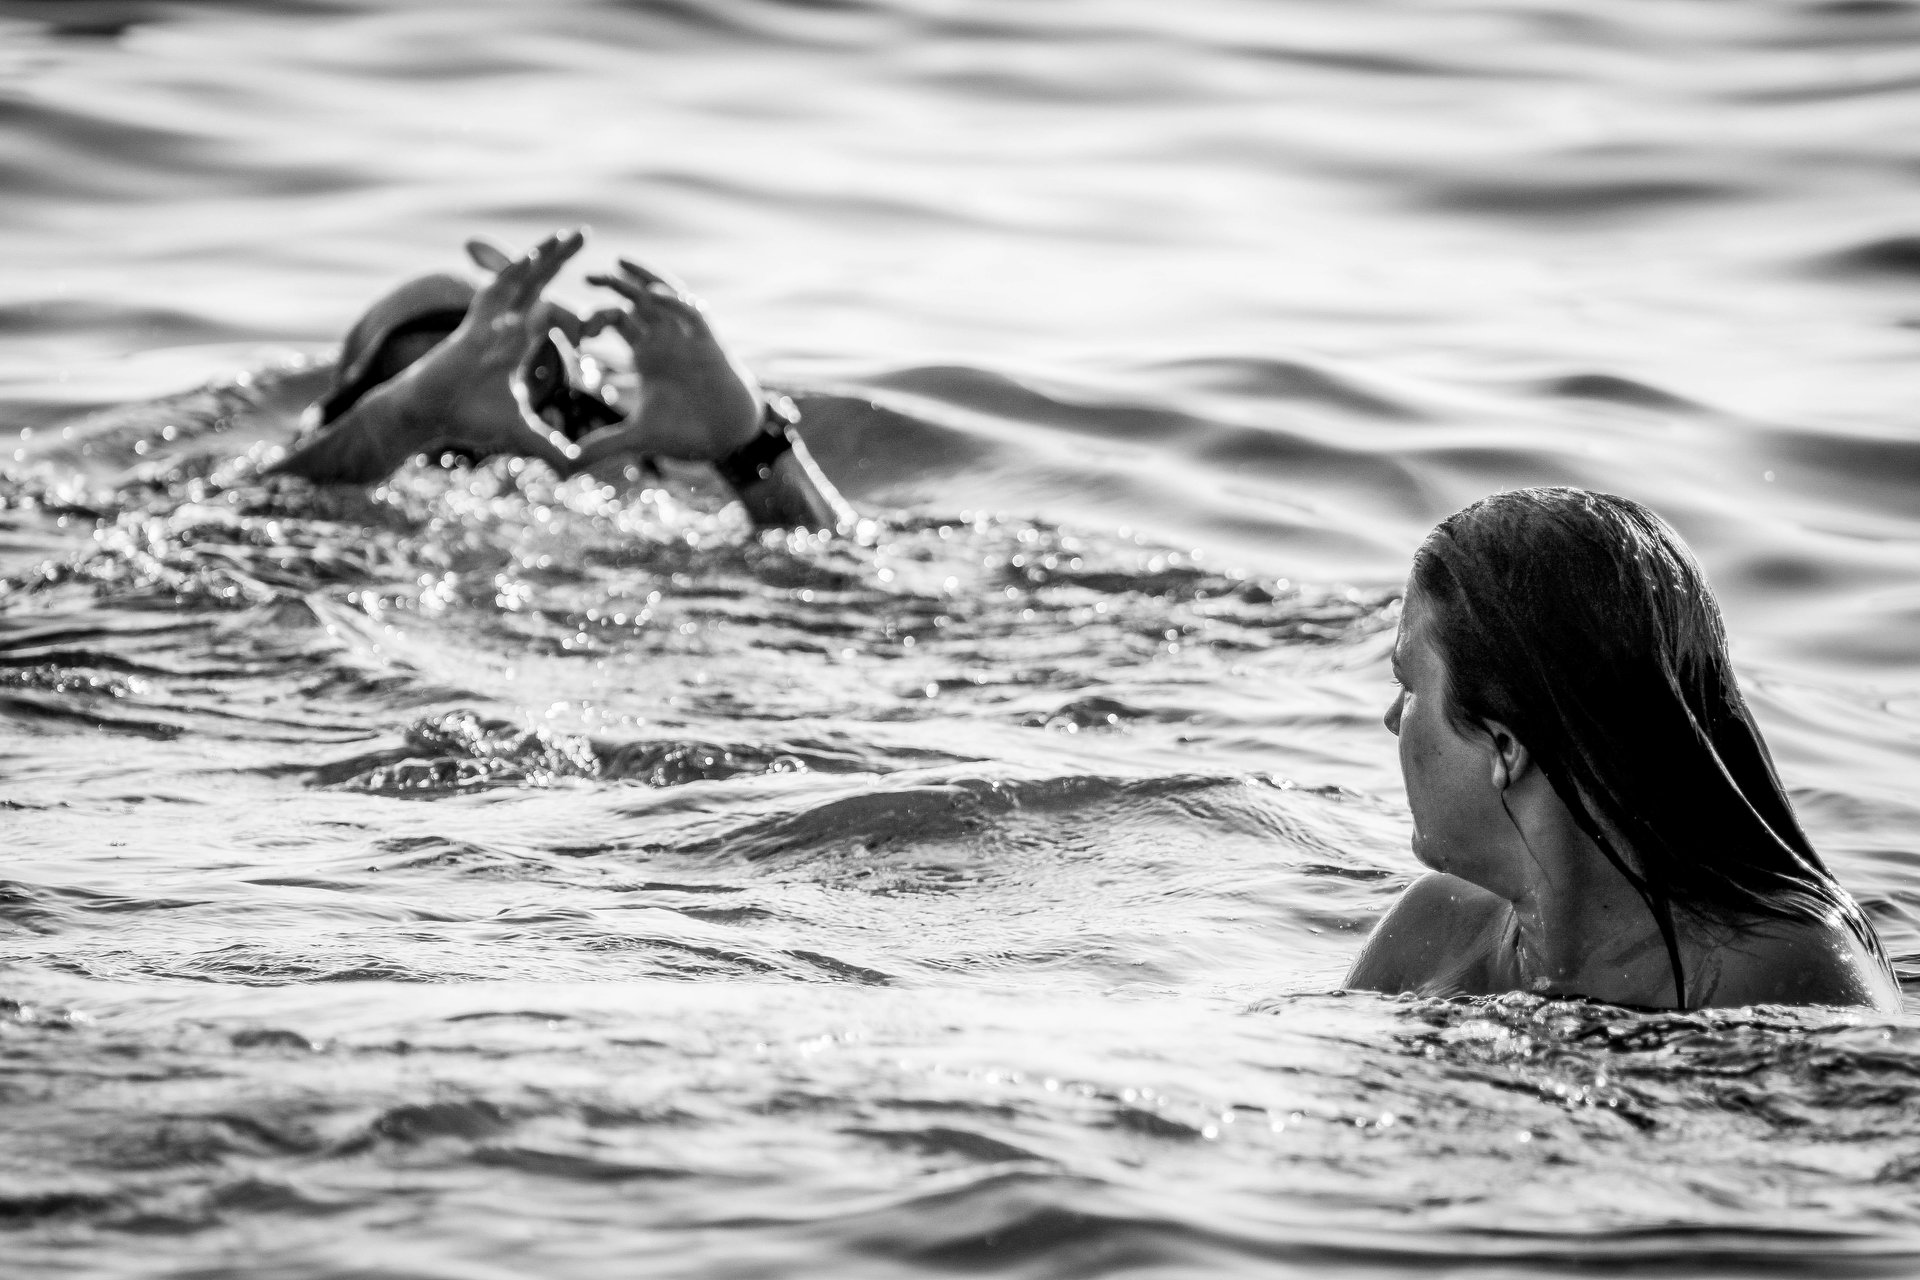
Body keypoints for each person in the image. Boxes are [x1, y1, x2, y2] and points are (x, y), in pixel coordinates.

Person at [1346, 487, 1900, 1011]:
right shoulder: (1430, 927)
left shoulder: (1781, 972)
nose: (1392, 720)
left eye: (1408, 686)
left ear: (1505, 747)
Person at [269, 229, 854, 533]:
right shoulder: (646, 524)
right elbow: (841, 575)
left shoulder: (631, 521)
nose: (457, 438)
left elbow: (242, 519)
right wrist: (760, 458)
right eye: (412, 383)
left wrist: (747, 444)